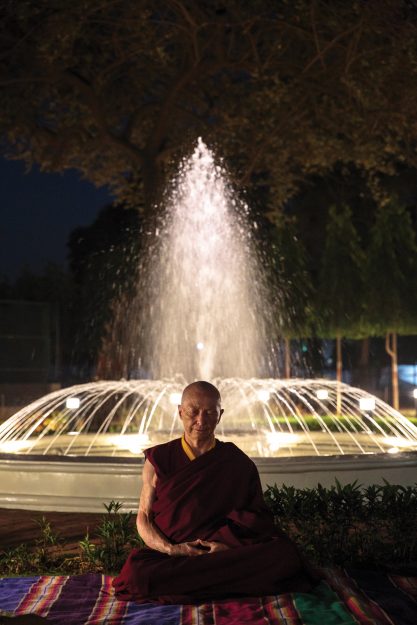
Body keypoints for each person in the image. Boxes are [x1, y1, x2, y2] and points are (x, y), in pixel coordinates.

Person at [113, 381, 313, 604]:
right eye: (193, 411)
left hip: (223, 554)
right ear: (180, 412)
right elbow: (144, 517)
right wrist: (172, 549)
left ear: (220, 415)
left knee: (283, 556)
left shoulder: (237, 462)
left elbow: (255, 518)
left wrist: (228, 546)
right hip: (173, 557)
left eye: (210, 413)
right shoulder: (159, 460)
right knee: (137, 573)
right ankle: (219, 585)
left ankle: (189, 587)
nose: (201, 420)